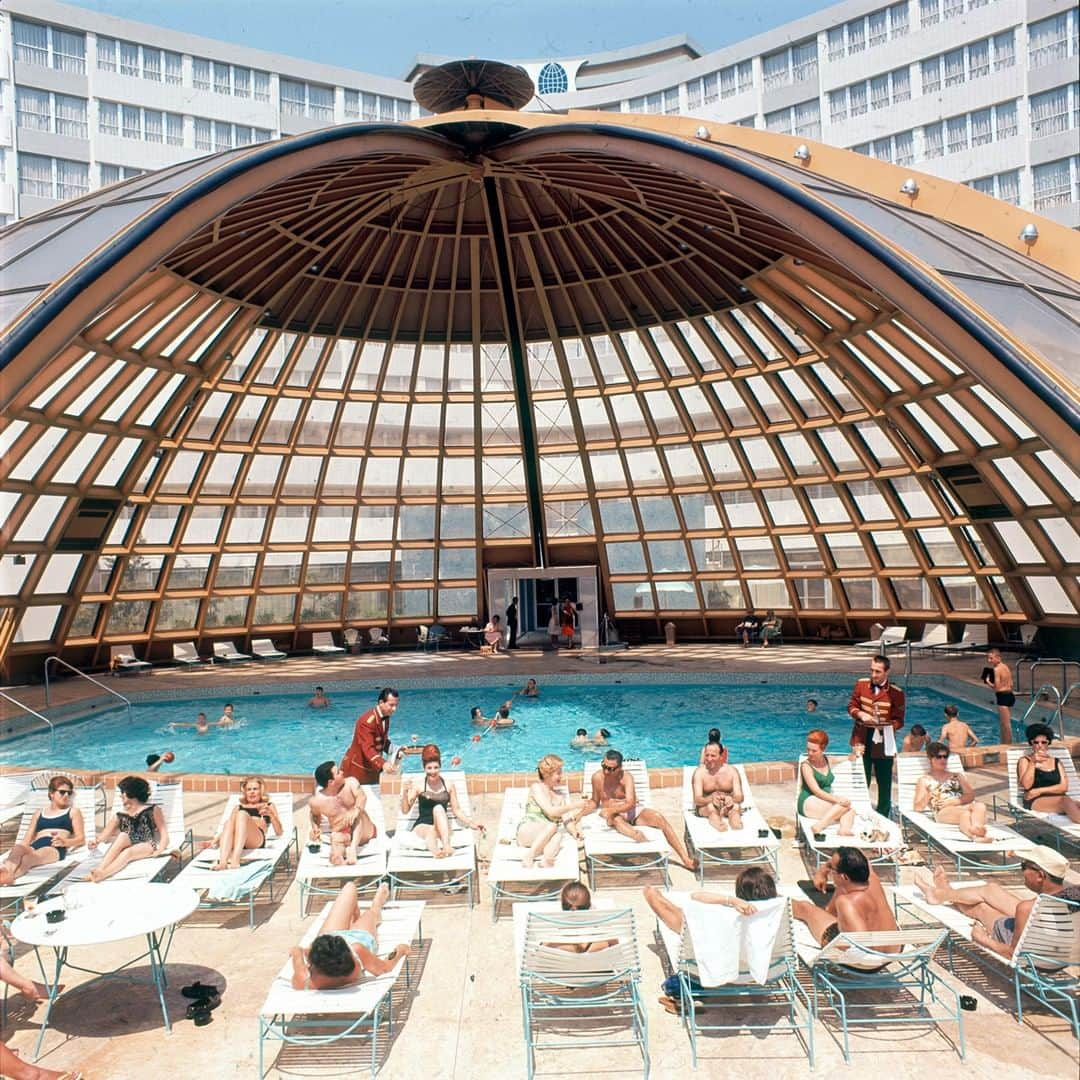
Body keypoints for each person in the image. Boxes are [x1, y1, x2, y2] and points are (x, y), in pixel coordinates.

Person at [645, 866, 779, 1015]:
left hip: (722, 969)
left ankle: (687, 994)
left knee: (688, 931)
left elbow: (696, 896)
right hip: (761, 967)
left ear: (740, 893)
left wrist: (731, 901)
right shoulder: (777, 916)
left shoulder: (725, 916)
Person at [914, 845, 1078, 959]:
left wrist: (982, 939)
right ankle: (943, 893)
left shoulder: (1027, 908)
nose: (1022, 871)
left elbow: (1013, 954)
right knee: (990, 889)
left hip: (1035, 954)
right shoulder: (1074, 895)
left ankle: (941, 893)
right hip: (1056, 946)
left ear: (1040, 876)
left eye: (1024, 866)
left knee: (981, 907)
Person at [580, 750, 698, 872]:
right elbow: (594, 801)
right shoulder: (597, 778)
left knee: (659, 818)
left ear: (620, 767)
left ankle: (685, 859)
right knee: (616, 820)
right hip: (615, 816)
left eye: (611, 769)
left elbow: (630, 802)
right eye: (604, 766)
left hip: (630, 811)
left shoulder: (627, 777)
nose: (606, 771)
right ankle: (643, 841)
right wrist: (579, 815)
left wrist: (612, 808)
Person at [290, 882, 410, 990]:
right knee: (370, 913)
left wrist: (305, 951)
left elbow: (296, 950)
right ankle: (376, 905)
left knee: (349, 888)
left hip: (329, 942)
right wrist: (400, 950)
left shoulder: (304, 982)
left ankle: (355, 915)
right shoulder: (357, 950)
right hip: (358, 938)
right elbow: (384, 968)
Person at [791, 847, 900, 957]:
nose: (830, 873)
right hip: (892, 951)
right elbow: (856, 852)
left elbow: (863, 947)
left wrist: (836, 941)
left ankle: (777, 902)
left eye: (832, 870)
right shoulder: (872, 878)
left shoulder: (846, 902)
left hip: (865, 964)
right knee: (837, 901)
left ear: (844, 876)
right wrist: (824, 869)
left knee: (805, 908)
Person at [400, 744, 484, 858]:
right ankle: (437, 853)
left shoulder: (448, 785)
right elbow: (405, 810)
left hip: (442, 827)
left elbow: (457, 809)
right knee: (430, 830)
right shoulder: (418, 786)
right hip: (423, 825)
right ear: (424, 768)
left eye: (436, 767)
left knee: (438, 808)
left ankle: (446, 846)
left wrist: (471, 823)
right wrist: (404, 793)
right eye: (429, 768)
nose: (433, 771)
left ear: (440, 766)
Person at [0, 776, 85, 886]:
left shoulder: (73, 812)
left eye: (69, 793)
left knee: (28, 859)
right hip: (36, 844)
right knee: (17, 849)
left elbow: (81, 839)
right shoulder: (39, 813)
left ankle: (8, 877)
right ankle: (7, 875)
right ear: (51, 793)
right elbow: (27, 839)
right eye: (62, 792)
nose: (66, 796)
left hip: (55, 847)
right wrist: (20, 850)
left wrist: (65, 842)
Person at [848, 654, 905, 818]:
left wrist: (884, 726)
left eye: (878, 672)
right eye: (872, 670)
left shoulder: (896, 693)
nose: (873, 675)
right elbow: (851, 706)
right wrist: (860, 714)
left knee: (884, 781)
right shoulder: (861, 685)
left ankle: (883, 815)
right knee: (860, 779)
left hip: (884, 741)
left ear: (887, 672)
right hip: (861, 738)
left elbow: (899, 720)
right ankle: (859, 813)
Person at [88, 775, 169, 883]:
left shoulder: (152, 810)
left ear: (131, 793)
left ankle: (103, 874)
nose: (120, 796)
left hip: (146, 844)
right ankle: (99, 870)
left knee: (127, 852)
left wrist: (160, 850)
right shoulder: (120, 815)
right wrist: (96, 842)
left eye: (122, 792)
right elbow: (105, 835)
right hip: (127, 841)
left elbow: (164, 833)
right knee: (123, 835)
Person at [913, 742, 992, 841]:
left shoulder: (957, 776)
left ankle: (977, 828)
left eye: (945, 757)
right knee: (965, 814)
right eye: (939, 757)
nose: (943, 760)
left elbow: (971, 795)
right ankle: (974, 836)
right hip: (943, 811)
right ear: (931, 758)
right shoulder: (924, 780)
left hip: (961, 806)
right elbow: (917, 808)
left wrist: (953, 802)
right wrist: (928, 795)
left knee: (980, 806)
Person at [203, 775, 283, 871]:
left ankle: (235, 859)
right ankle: (223, 863)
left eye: (255, 789)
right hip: (238, 840)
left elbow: (279, 832)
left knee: (241, 814)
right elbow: (229, 828)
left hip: (256, 840)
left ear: (261, 791)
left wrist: (271, 815)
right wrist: (214, 841)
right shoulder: (238, 807)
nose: (252, 792)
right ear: (245, 792)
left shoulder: (268, 806)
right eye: (249, 789)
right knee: (229, 822)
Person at [516, 754, 583, 868]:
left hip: (543, 837)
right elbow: (551, 811)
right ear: (546, 774)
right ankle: (530, 856)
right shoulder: (536, 788)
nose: (561, 776)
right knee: (553, 826)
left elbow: (567, 819)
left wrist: (574, 832)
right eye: (558, 773)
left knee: (558, 836)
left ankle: (547, 860)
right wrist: (573, 805)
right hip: (527, 831)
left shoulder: (559, 797)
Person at [310, 761, 378, 865]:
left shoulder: (351, 783)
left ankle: (353, 850)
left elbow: (362, 797)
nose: (342, 772)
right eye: (338, 772)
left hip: (365, 832)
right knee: (335, 837)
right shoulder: (318, 800)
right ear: (331, 782)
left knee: (356, 814)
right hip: (343, 835)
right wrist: (315, 827)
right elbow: (314, 815)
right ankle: (339, 856)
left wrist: (356, 810)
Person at [796, 729, 857, 835]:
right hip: (808, 801)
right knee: (845, 807)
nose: (810, 753)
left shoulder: (828, 760)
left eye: (814, 751)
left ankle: (844, 830)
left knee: (850, 809)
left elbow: (848, 757)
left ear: (823, 749)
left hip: (824, 801)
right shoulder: (806, 766)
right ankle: (820, 825)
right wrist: (838, 799)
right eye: (808, 749)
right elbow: (816, 791)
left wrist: (855, 753)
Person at [1017, 723, 1080, 822]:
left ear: (1048, 743)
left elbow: (1063, 787)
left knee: (1074, 803)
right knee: (1065, 801)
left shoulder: (1056, 762)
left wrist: (1038, 790)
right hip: (1035, 800)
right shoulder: (1025, 761)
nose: (1040, 746)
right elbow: (1026, 786)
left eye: (1043, 742)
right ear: (1031, 743)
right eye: (1036, 742)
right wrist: (1033, 762)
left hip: (1053, 797)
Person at [340, 687, 400, 784]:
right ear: (381, 702)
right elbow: (368, 748)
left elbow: (380, 740)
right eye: (391, 705)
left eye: (396, 705)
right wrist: (383, 763)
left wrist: (396, 749)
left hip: (372, 767)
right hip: (358, 769)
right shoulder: (367, 721)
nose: (394, 709)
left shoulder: (385, 715)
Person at [542, 882, 618, 953]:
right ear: (588, 904)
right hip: (593, 952)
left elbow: (541, 949)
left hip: (567, 955)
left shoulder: (556, 919)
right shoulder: (598, 917)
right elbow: (615, 943)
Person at [692, 741, 744, 832]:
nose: (709, 759)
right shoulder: (699, 773)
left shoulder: (732, 771)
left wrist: (731, 799)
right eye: (707, 755)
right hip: (706, 807)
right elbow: (697, 799)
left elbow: (739, 796)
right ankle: (719, 825)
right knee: (711, 808)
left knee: (735, 807)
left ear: (721, 756)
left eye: (713, 756)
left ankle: (737, 828)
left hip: (728, 805)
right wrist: (711, 799)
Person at [984, 649, 1015, 744]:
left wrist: (988, 681)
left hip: (1002, 697)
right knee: (1005, 723)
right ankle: (1004, 743)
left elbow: (997, 688)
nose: (989, 660)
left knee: (1005, 724)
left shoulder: (997, 669)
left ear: (998, 658)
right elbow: (1011, 684)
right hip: (1010, 695)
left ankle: (1008, 745)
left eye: (991, 658)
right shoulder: (1006, 667)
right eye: (988, 658)